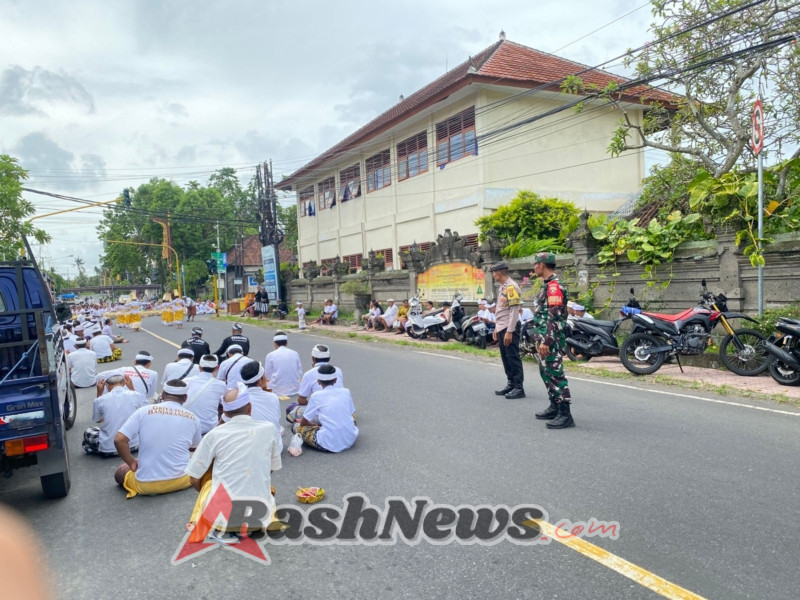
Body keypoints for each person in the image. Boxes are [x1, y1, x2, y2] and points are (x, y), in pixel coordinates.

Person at [184, 382, 282, 542]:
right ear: (249, 407)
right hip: (260, 518)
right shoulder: (269, 428)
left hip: (224, 520)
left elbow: (194, 478)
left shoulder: (214, 434)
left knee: (209, 480)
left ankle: (219, 527)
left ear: (225, 413)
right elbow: (271, 469)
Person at [114, 379, 202, 498]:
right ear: (185, 397)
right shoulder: (194, 418)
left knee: (121, 469)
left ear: (163, 394)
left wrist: (130, 462)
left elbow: (119, 440)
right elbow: (194, 449)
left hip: (145, 485)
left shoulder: (143, 411)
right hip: (182, 481)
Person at [531, 252, 574, 429]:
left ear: (541, 265)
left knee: (555, 375)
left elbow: (554, 318)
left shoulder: (554, 286)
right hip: (543, 337)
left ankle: (565, 414)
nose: (534, 268)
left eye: (535, 264)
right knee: (546, 372)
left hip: (551, 339)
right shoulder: (547, 285)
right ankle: (555, 405)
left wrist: (547, 341)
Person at [294, 364, 358, 453]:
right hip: (350, 438)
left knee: (297, 427)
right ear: (335, 380)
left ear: (318, 381)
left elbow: (304, 422)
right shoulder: (346, 392)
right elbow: (352, 412)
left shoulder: (316, 396)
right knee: (351, 416)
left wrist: (311, 425)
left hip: (328, 443)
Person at [84, 374, 147, 456]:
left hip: (108, 448)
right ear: (124, 383)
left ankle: (94, 449)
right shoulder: (135, 395)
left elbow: (98, 420)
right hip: (134, 444)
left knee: (88, 431)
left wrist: (99, 393)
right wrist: (132, 388)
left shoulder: (100, 400)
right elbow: (142, 413)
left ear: (106, 385)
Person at [491, 262, 525, 399]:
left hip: (509, 328)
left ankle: (518, 387)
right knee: (506, 358)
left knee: (513, 357)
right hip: (502, 326)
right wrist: (496, 328)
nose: (493, 276)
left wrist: (509, 331)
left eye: (494, 273)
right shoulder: (503, 287)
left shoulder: (511, 287)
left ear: (498, 273)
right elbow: (501, 311)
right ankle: (511, 383)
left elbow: (514, 310)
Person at [286, 344, 344, 423]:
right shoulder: (338, 370)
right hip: (339, 410)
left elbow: (301, 399)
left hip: (320, 414)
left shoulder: (309, 374)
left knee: (291, 408)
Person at [238, 361, 283, 450]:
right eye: (264, 376)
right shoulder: (273, 397)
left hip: (249, 449)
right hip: (275, 448)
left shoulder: (238, 399)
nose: (266, 378)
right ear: (259, 381)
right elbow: (276, 419)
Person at [184, 355, 227, 435]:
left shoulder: (186, 381)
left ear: (199, 367)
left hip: (186, 428)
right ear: (216, 368)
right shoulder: (222, 385)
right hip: (208, 431)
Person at [263, 331, 303, 398]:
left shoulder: (270, 355)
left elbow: (267, 375)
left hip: (277, 390)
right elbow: (300, 372)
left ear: (275, 344)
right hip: (295, 388)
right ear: (287, 343)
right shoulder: (295, 353)